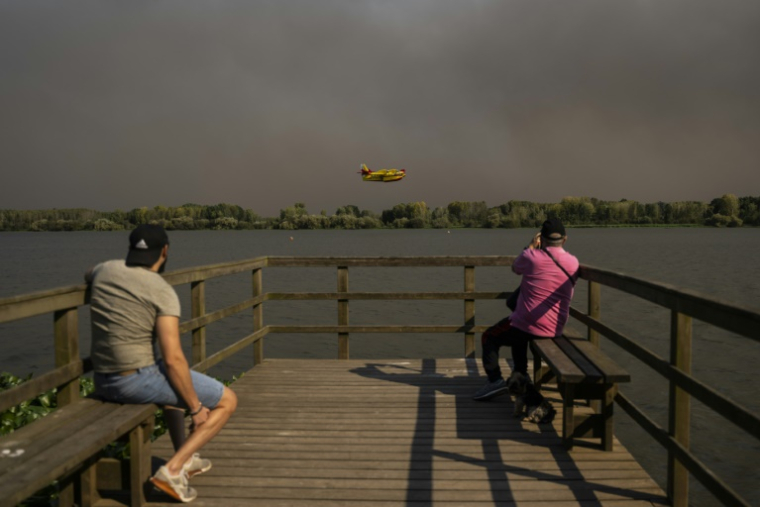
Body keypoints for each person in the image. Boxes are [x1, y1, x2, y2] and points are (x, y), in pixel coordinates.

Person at [86, 224, 238, 503]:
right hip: (134, 380)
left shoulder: (104, 270)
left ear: (130, 249)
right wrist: (196, 407)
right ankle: (173, 468)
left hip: (103, 378)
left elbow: (89, 273)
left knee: (171, 385)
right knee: (228, 400)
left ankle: (187, 456)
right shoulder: (161, 290)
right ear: (165, 251)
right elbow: (173, 358)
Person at [473, 218, 579, 403]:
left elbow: (516, 268)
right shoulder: (573, 262)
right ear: (565, 239)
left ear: (542, 239)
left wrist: (531, 245)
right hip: (555, 327)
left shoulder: (531, 256)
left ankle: (495, 380)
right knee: (518, 334)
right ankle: (521, 375)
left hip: (527, 325)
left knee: (489, 337)